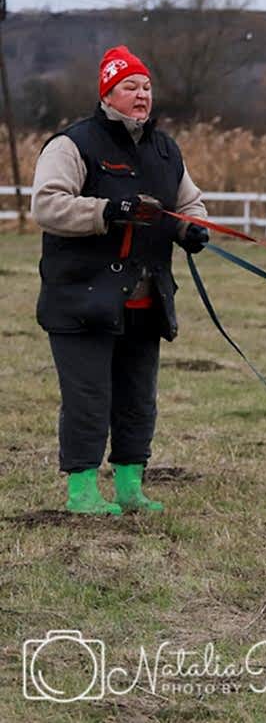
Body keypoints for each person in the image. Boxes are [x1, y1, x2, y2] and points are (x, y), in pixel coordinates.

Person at [31, 44, 210, 516]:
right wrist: (107, 211)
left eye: (146, 86)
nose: (141, 94)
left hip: (145, 300)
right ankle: (82, 492)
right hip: (82, 298)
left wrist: (190, 228)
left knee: (137, 400)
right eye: (130, 86)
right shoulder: (72, 144)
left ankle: (131, 487)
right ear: (107, 94)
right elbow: (47, 205)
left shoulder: (165, 149)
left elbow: (188, 202)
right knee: (88, 399)